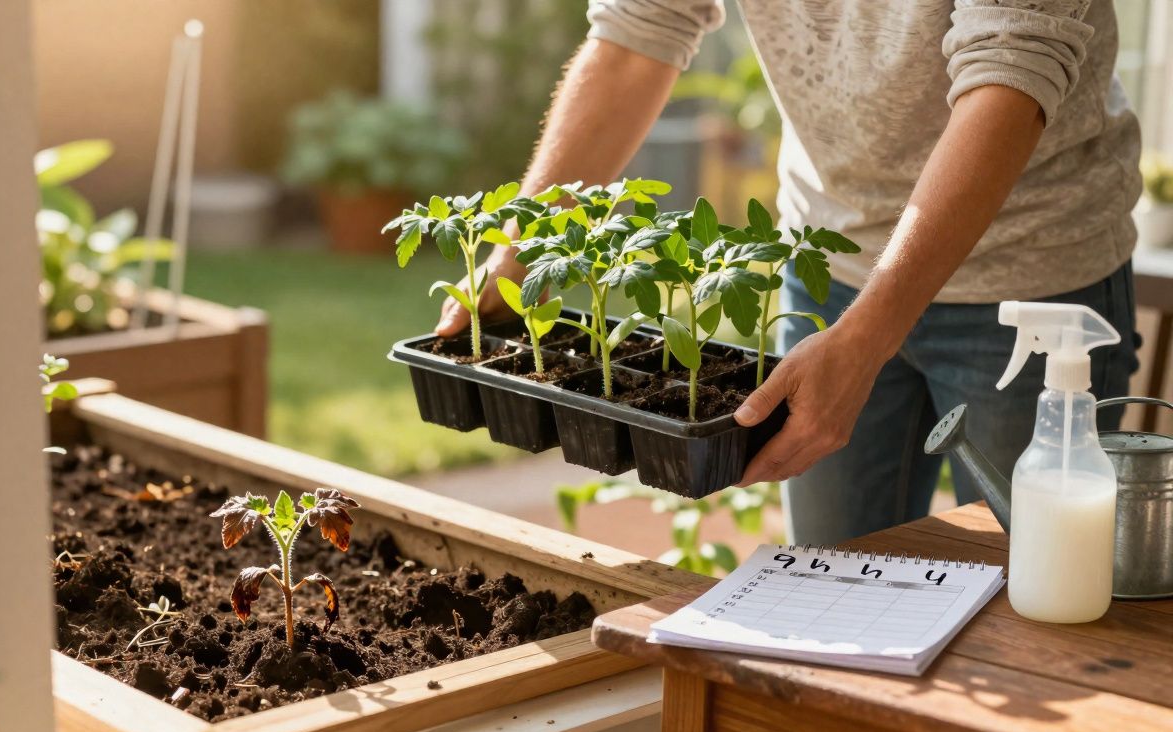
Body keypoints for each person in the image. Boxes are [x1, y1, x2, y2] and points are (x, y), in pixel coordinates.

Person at [434, 0, 1141, 545]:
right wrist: (520, 247)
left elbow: (1013, 67)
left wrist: (868, 337)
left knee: (1040, 601)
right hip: (830, 267)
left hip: (1034, 287)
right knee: (834, 594)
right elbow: (637, 33)